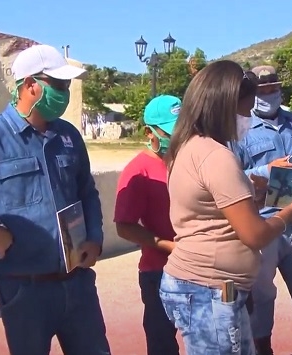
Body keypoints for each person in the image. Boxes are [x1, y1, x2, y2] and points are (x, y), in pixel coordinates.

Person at [0, 45, 110, 355]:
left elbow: (86, 191)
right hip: (24, 289)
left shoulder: (68, 136)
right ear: (30, 85)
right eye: (60, 85)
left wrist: (94, 237)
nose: (65, 93)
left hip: (77, 283)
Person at [159, 60, 292, 355]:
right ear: (225, 107)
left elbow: (213, 209)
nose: (246, 119)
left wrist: (254, 196)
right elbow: (254, 235)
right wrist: (290, 215)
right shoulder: (216, 156)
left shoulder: (188, 146)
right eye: (245, 110)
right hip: (209, 288)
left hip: (217, 286)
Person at [231, 65, 292, 355]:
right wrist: (267, 170)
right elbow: (232, 176)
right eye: (262, 89)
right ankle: (262, 348)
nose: (269, 93)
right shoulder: (239, 126)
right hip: (263, 225)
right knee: (262, 295)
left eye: (274, 88)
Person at [114, 95, 182, 355]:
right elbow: (125, 226)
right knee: (162, 344)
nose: (177, 138)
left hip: (196, 268)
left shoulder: (185, 162)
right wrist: (170, 247)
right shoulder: (137, 171)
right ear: (149, 133)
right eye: (170, 132)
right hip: (159, 274)